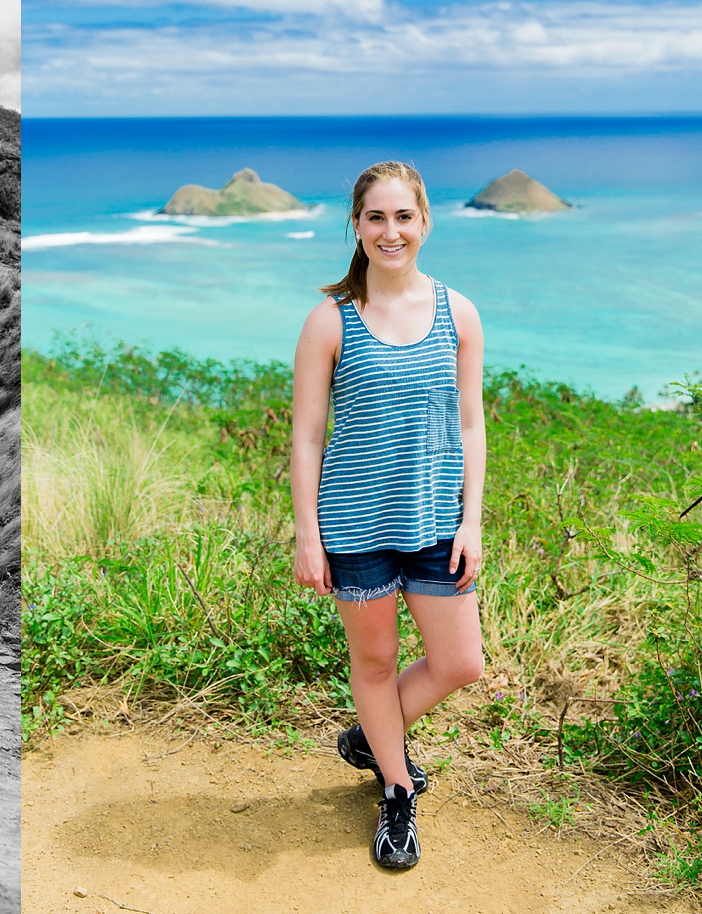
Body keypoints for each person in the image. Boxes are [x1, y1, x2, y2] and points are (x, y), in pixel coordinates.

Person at [290, 161, 486, 871]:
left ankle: (374, 736)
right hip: (354, 527)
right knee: (373, 662)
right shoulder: (330, 320)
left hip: (437, 520)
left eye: (403, 216)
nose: (391, 230)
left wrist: (472, 521)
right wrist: (308, 538)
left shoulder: (458, 312)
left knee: (461, 662)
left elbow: (471, 426)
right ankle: (397, 791)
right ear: (357, 226)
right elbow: (307, 436)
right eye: (377, 217)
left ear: (424, 223)